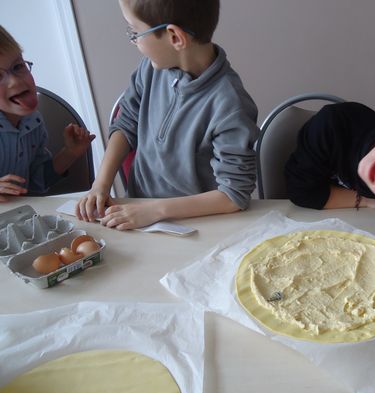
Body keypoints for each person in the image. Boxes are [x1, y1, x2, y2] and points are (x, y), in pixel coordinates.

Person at [75, 0, 258, 230]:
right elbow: (126, 123)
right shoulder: (150, 69)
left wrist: (155, 211)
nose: (134, 41)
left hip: (197, 227)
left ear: (175, 37)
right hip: (138, 214)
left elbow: (233, 195)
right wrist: (101, 185)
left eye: (135, 32)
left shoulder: (230, 104)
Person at [0, 26, 95, 202]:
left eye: (18, 66)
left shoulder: (33, 121)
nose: (15, 81)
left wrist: (70, 152)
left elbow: (37, 183)